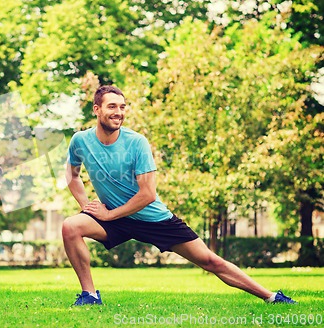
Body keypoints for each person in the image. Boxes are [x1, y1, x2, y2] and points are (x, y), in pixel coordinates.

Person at [62, 85, 296, 306]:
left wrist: (110, 214)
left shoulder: (136, 143)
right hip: (115, 219)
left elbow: (148, 194)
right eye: (112, 106)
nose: (119, 112)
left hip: (152, 219)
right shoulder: (81, 141)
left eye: (123, 107)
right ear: (97, 109)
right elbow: (72, 175)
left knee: (209, 261)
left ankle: (272, 297)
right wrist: (87, 207)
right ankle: (90, 295)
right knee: (71, 227)